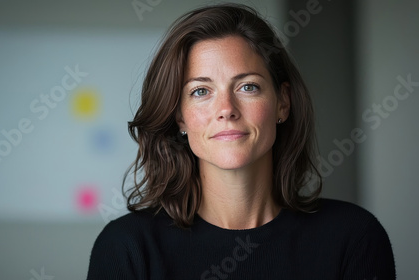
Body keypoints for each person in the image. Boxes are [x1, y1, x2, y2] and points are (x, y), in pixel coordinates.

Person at [86, 4, 395, 279]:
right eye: (201, 91)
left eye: (247, 87)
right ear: (180, 117)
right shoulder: (126, 248)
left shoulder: (354, 238)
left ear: (282, 103)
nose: (226, 110)